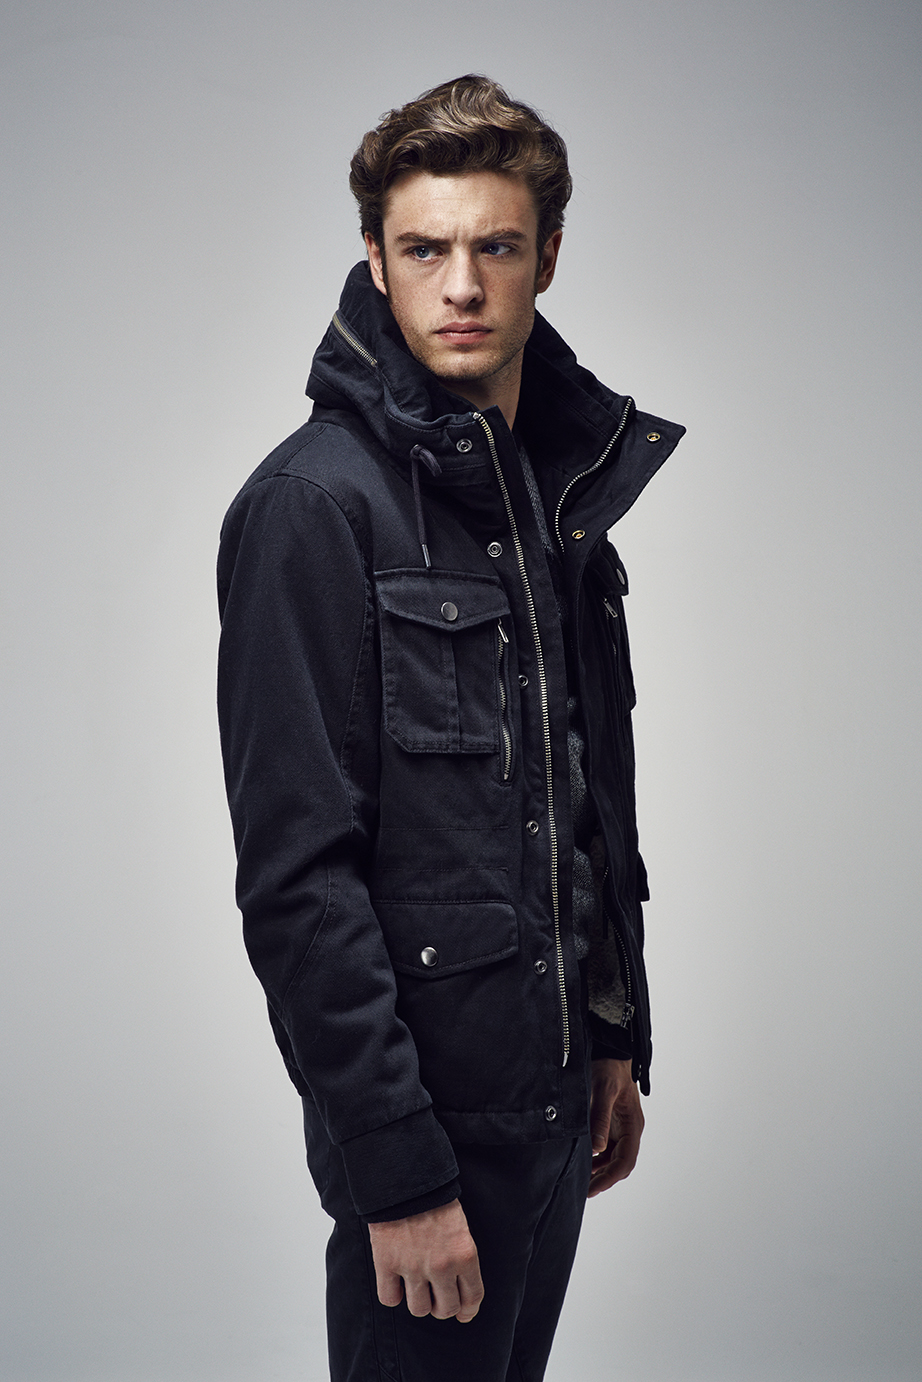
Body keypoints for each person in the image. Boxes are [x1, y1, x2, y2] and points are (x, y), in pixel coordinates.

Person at [217, 74, 684, 1381]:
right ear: (375, 259)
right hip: (431, 1145)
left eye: (496, 246)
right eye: (424, 249)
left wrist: (607, 1032)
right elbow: (298, 881)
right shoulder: (313, 508)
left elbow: (576, 785)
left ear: (548, 256)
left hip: (551, 1108)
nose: (462, 285)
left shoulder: (548, 496)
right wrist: (399, 1175)